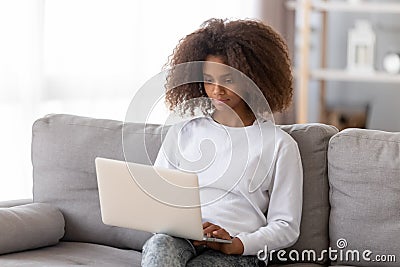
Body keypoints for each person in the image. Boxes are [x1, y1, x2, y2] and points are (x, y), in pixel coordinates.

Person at [141, 18, 303, 267]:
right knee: (159, 245)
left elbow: (286, 227)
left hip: (237, 249)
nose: (216, 90)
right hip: (181, 238)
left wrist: (238, 244)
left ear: (254, 79)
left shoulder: (280, 145)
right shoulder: (183, 133)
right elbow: (157, 200)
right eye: (208, 80)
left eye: (228, 80)